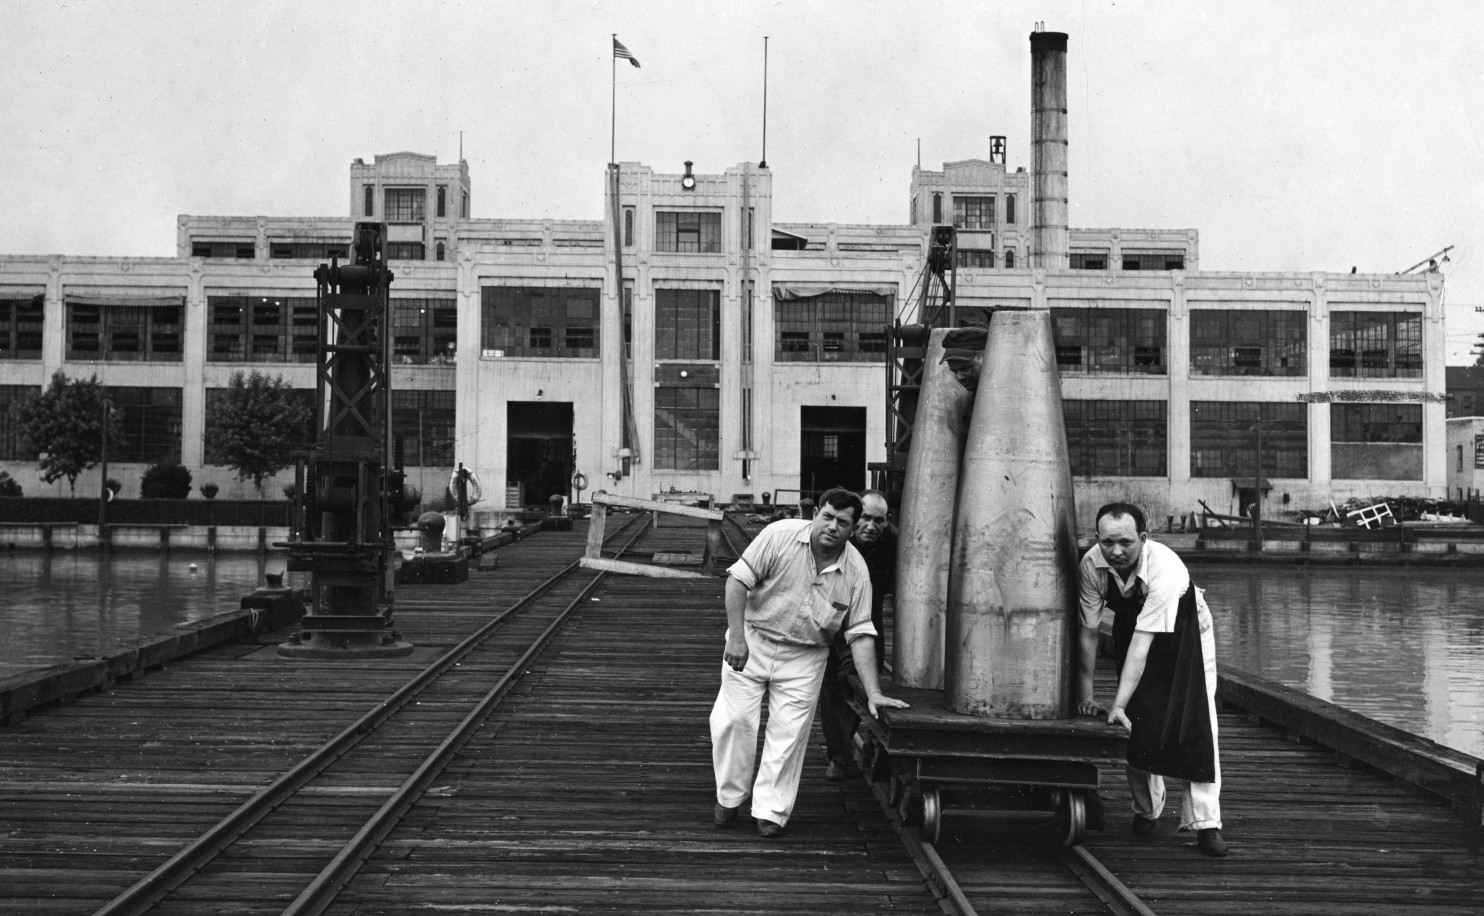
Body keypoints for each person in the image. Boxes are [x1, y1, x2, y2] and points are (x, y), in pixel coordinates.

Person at [710, 488, 909, 838]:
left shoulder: (856, 572)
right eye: (827, 517)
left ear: (851, 529)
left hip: (805, 655)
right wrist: (737, 637)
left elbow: (861, 632)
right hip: (753, 639)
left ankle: (770, 811)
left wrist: (874, 691)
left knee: (788, 734)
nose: (832, 526)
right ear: (815, 514)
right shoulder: (779, 535)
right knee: (734, 721)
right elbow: (737, 581)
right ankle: (729, 797)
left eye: (842, 522)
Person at [1076, 501, 1228, 858]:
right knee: (1136, 717)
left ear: (1143, 538)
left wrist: (1116, 703)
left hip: (1186, 629)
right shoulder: (1090, 566)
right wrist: (1086, 695)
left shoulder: (1165, 568)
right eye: (1107, 542)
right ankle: (1147, 809)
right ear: (1096, 539)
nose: (1116, 551)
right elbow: (1088, 634)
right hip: (1135, 627)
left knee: (1197, 721)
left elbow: (1143, 646)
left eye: (1125, 542)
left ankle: (1206, 823)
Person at [818, 489, 896, 781]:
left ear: (887, 522)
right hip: (835, 617)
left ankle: (865, 740)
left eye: (879, 520)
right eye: (865, 518)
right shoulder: (840, 540)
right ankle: (838, 757)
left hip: (870, 620)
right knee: (834, 690)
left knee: (867, 683)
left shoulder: (894, 543)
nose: (871, 526)